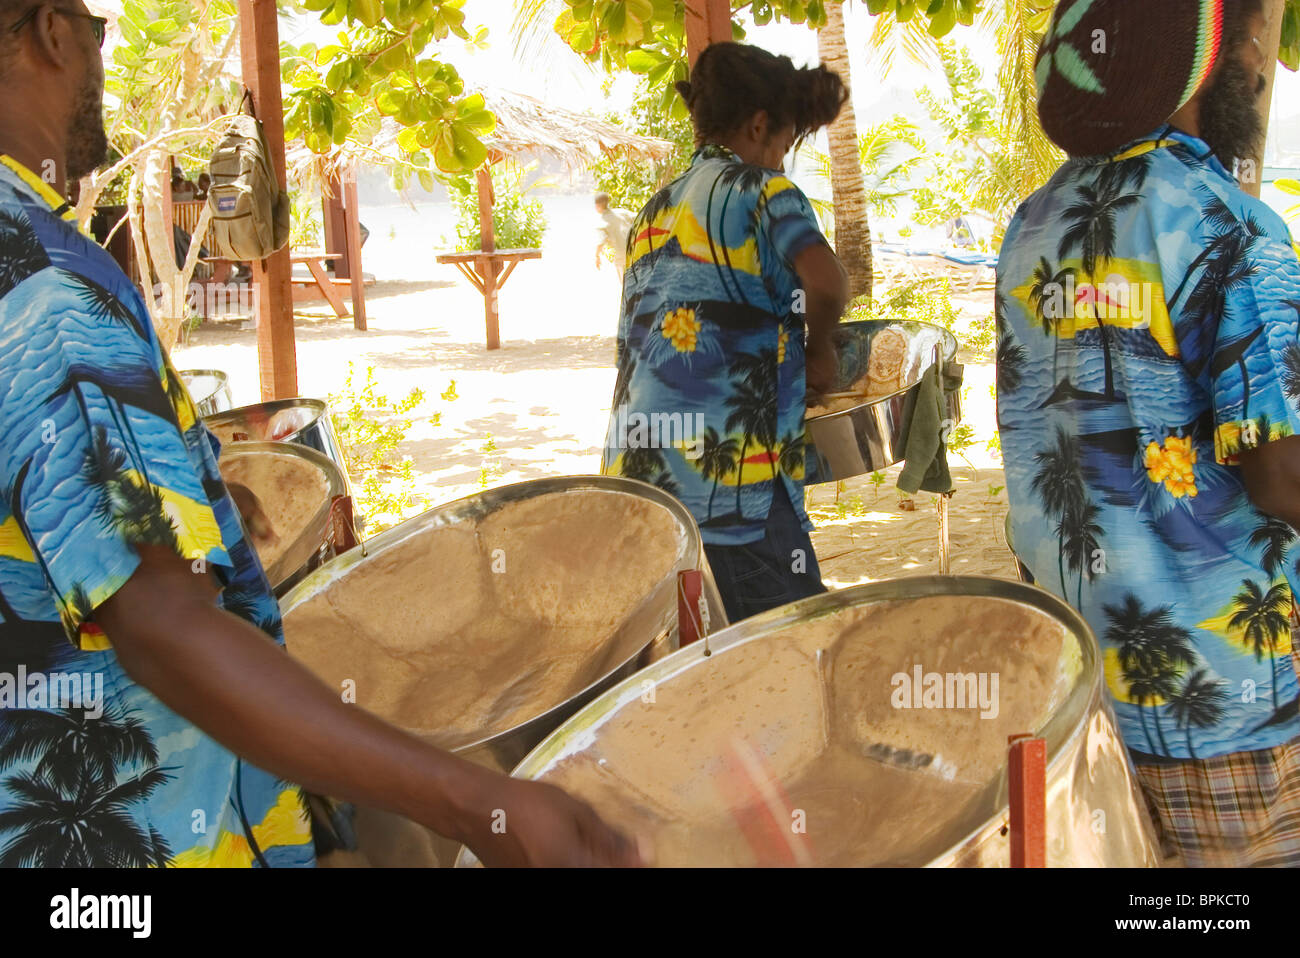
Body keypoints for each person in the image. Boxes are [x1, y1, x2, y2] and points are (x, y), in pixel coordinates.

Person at [0, 0, 639, 867]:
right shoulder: (46, 286)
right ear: (51, 32)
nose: (99, 58)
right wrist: (478, 801)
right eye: (98, 30)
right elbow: (160, 625)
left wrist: (187, 490)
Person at [998, 0, 1300, 866]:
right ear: (1208, 66)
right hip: (1221, 696)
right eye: (1250, 47)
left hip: (1078, 683)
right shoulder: (1231, 229)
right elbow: (1279, 477)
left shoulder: (1034, 226)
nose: (1260, 65)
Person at [601, 43, 849, 624]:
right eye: (784, 146)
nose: (784, 164)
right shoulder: (764, 193)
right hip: (733, 494)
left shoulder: (654, 210)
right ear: (759, 125)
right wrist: (820, 351)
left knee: (701, 666)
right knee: (790, 653)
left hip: (641, 491)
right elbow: (828, 283)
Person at [594, 192, 633, 280]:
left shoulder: (601, 222)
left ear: (597, 205)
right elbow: (639, 217)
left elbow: (600, 241)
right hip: (635, 251)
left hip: (621, 257)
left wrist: (597, 257)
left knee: (625, 285)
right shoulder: (622, 212)